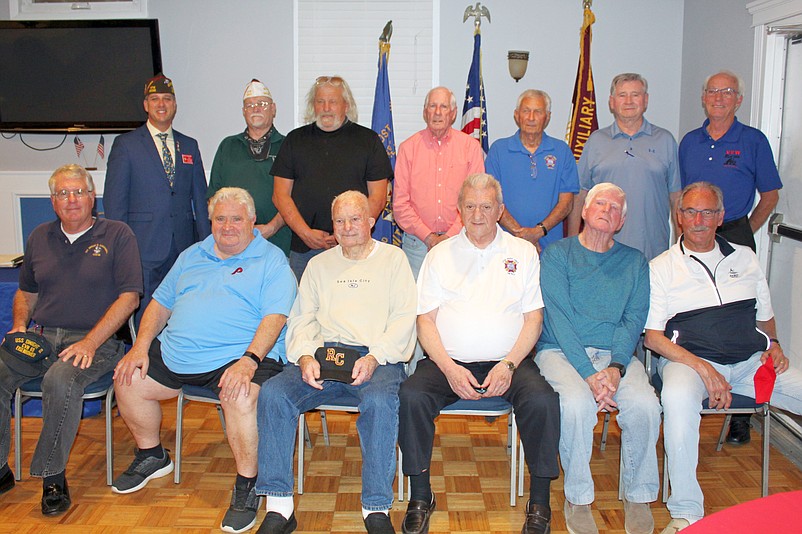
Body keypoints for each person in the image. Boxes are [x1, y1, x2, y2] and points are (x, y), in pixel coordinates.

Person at [112, 187, 296, 534]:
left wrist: (249, 359)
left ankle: (248, 484)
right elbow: (160, 304)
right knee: (128, 377)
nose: (228, 226)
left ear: (252, 221)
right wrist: (140, 346)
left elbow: (276, 316)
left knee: (239, 396)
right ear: (210, 222)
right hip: (178, 353)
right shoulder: (191, 255)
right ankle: (152, 455)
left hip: (239, 355)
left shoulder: (271, 260)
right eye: (220, 219)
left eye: (236, 219)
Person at [398, 174, 560, 534]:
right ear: (459, 209)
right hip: (448, 361)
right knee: (411, 395)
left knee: (543, 401)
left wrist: (509, 364)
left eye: (486, 206)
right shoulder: (439, 255)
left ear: (500, 211)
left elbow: (534, 318)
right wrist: (450, 369)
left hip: (509, 360)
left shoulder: (523, 253)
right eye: (470, 206)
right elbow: (425, 321)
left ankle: (540, 501)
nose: (477, 214)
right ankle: (420, 496)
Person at [644, 182, 802, 534]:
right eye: (690, 212)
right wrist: (703, 368)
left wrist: (774, 342)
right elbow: (653, 338)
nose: (698, 220)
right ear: (679, 218)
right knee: (677, 399)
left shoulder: (745, 257)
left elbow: (765, 314)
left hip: (750, 362)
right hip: (689, 363)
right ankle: (686, 512)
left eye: (707, 212)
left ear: (720, 217)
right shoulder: (661, 267)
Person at [255, 190, 416, 534]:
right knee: (273, 393)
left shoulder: (393, 260)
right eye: (340, 220)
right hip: (324, 354)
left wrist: (376, 356)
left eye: (355, 218)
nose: (347, 226)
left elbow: (405, 318)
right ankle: (280, 507)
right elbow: (301, 318)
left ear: (371, 221)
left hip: (377, 357)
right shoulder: (318, 264)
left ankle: (376, 507)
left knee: (380, 401)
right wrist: (304, 355)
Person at [0, 164, 142, 515]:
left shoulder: (118, 234)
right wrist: (20, 324)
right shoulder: (39, 237)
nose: (72, 199)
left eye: (78, 191)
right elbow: (26, 291)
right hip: (43, 338)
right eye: (63, 193)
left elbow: (130, 298)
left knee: (60, 379)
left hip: (99, 342)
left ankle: (52, 477)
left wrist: (91, 342)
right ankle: (0, 470)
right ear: (53, 201)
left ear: (92, 196)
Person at [535, 183, 660, 534]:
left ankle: (638, 496)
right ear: (585, 212)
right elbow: (559, 320)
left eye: (615, 207)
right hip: (561, 351)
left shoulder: (635, 262)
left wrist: (617, 368)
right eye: (600, 203)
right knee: (575, 405)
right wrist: (591, 375)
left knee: (646, 406)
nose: (607, 210)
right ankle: (578, 498)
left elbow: (632, 320)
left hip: (615, 356)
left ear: (620, 222)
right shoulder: (557, 255)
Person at [678, 70, 783, 444]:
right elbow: (680, 195)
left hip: (735, 230)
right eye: (712, 92)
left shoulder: (753, 141)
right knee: (693, 311)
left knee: (742, 315)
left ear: (738, 99)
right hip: (691, 230)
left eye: (727, 92)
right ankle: (695, 383)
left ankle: (741, 415)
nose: (719, 97)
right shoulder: (690, 142)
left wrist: (744, 231)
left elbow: (770, 194)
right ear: (703, 97)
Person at [104, 74, 211, 325]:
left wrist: (206, 247)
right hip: (143, 248)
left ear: (174, 104)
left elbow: (201, 199)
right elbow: (114, 204)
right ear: (146, 105)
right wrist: (122, 250)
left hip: (184, 248)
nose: (161, 104)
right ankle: (146, 360)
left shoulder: (189, 146)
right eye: (154, 99)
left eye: (167, 98)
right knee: (145, 315)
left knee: (183, 310)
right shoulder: (126, 145)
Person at [271, 75, 392, 279]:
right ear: (313, 105)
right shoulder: (295, 140)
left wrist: (345, 233)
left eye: (333, 101)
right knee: (308, 308)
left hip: (354, 247)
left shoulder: (368, 141)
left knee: (353, 307)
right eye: (320, 101)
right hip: (304, 250)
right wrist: (306, 233)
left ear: (346, 105)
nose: (326, 107)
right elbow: (280, 196)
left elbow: (378, 197)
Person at [569, 73, 681, 262]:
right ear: (612, 102)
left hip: (653, 252)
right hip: (602, 251)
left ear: (645, 100)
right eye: (622, 95)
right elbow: (579, 196)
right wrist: (572, 245)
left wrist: (680, 248)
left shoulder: (665, 140)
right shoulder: (596, 141)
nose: (629, 101)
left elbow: (676, 198)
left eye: (635, 95)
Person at [393, 86, 485, 277]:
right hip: (417, 245)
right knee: (418, 303)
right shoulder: (407, 149)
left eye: (443, 107)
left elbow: (476, 201)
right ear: (424, 112)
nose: (437, 112)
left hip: (461, 240)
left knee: (459, 302)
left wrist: (448, 237)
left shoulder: (470, 148)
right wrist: (429, 237)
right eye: (432, 106)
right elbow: (400, 205)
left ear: (453, 113)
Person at [486, 89, 578, 252]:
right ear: (516, 115)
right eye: (526, 111)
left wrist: (538, 231)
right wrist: (521, 236)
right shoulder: (498, 150)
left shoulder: (562, 151)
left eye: (538, 112)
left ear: (547, 117)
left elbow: (567, 202)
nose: (531, 117)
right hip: (505, 246)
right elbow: (492, 199)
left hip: (550, 248)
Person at [207, 79, 290, 255]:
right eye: (250, 105)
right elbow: (213, 199)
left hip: (278, 244)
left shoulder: (288, 146)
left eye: (262, 104)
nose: (256, 108)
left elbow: (296, 198)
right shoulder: (228, 146)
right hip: (233, 246)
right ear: (244, 112)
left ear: (273, 109)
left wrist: (271, 228)